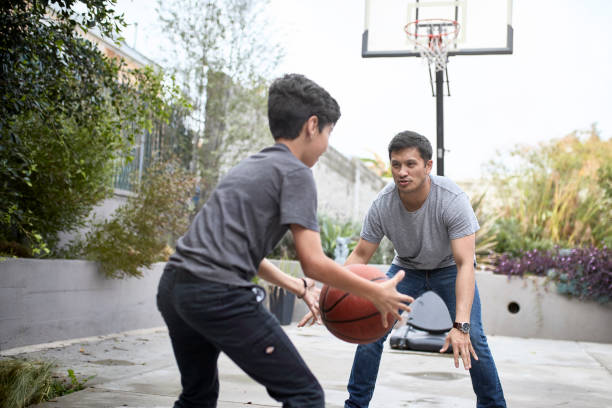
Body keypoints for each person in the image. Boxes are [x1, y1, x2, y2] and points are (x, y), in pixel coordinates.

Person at [156, 74, 413, 408]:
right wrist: (375, 291)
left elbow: (231, 251)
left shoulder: (250, 166)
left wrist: (296, 285)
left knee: (198, 395)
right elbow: (314, 261)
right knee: (305, 396)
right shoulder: (296, 172)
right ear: (312, 125)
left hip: (175, 288)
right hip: (216, 293)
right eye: (328, 134)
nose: (326, 145)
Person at [302, 131, 506, 407]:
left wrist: (461, 325)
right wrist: (326, 291)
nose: (402, 172)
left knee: (474, 339)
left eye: (410, 164)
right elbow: (360, 254)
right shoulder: (383, 204)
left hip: (449, 269)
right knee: (370, 332)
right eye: (396, 164)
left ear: (428, 166)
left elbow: (464, 264)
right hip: (406, 269)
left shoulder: (451, 199)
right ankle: (356, 405)